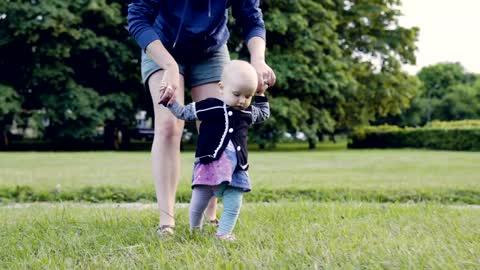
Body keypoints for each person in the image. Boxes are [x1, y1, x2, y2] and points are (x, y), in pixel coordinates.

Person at [127, 0, 276, 235]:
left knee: (216, 124)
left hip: (211, 50)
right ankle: (167, 222)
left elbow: (251, 17)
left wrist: (258, 59)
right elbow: (137, 18)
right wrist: (170, 66)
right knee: (168, 126)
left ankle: (210, 215)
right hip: (161, 45)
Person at [164, 60, 270, 240]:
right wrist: (170, 102)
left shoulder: (247, 112)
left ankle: (223, 234)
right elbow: (185, 113)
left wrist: (260, 95)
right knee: (199, 202)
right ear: (222, 88)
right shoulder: (211, 106)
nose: (242, 100)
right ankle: (194, 229)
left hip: (236, 169)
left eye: (248, 95)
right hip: (209, 165)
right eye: (237, 94)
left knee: (233, 203)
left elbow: (264, 114)